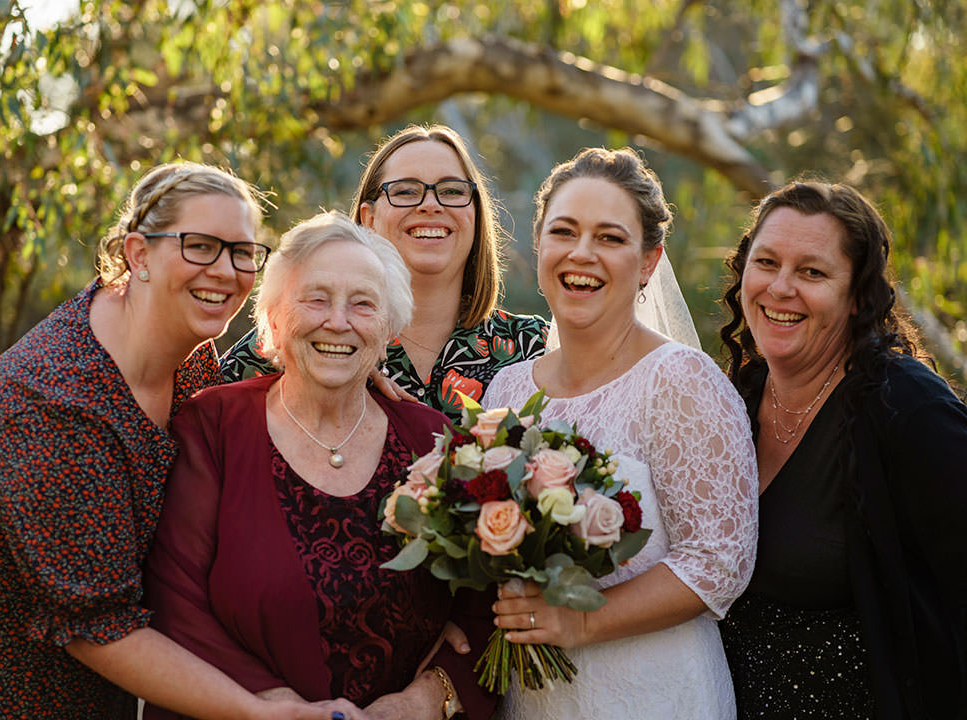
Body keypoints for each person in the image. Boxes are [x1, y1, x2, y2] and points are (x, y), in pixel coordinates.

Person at [0, 162, 353, 720]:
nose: (226, 271)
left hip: (82, 688)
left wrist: (351, 380)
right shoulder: (53, 396)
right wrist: (259, 711)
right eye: (201, 246)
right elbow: (96, 625)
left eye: (243, 251)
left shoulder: (192, 360)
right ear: (138, 254)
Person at [142, 212, 495, 720]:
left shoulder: (433, 441)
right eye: (316, 298)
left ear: (389, 329)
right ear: (276, 319)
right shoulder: (212, 424)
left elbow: (485, 608)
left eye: (363, 304)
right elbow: (174, 597)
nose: (338, 321)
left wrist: (422, 700)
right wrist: (277, 706)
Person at [484, 147, 759, 719]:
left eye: (610, 238)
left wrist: (580, 621)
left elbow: (717, 564)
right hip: (536, 698)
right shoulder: (507, 391)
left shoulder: (681, 382)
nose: (581, 253)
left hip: (654, 692)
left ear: (649, 261)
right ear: (540, 244)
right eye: (564, 231)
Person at [717, 181, 967, 719]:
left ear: (857, 297)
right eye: (767, 263)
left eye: (812, 272)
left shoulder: (906, 408)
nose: (780, 288)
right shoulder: (735, 398)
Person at [221, 124, 548, 422]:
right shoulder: (291, 345)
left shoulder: (535, 350)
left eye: (452, 191)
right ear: (368, 218)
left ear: (476, 215)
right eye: (406, 191)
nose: (431, 205)